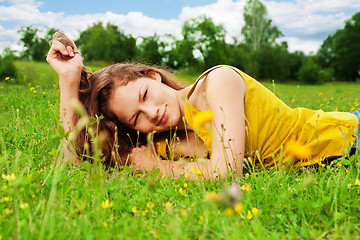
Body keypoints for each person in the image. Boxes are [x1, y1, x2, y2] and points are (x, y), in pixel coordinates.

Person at [47, 32, 360, 180]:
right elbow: (74, 162)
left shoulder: (218, 82)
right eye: (136, 118)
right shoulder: (164, 143)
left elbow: (225, 174)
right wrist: (68, 80)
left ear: (153, 76)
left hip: (350, 137)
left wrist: (157, 168)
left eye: (144, 95)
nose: (152, 112)